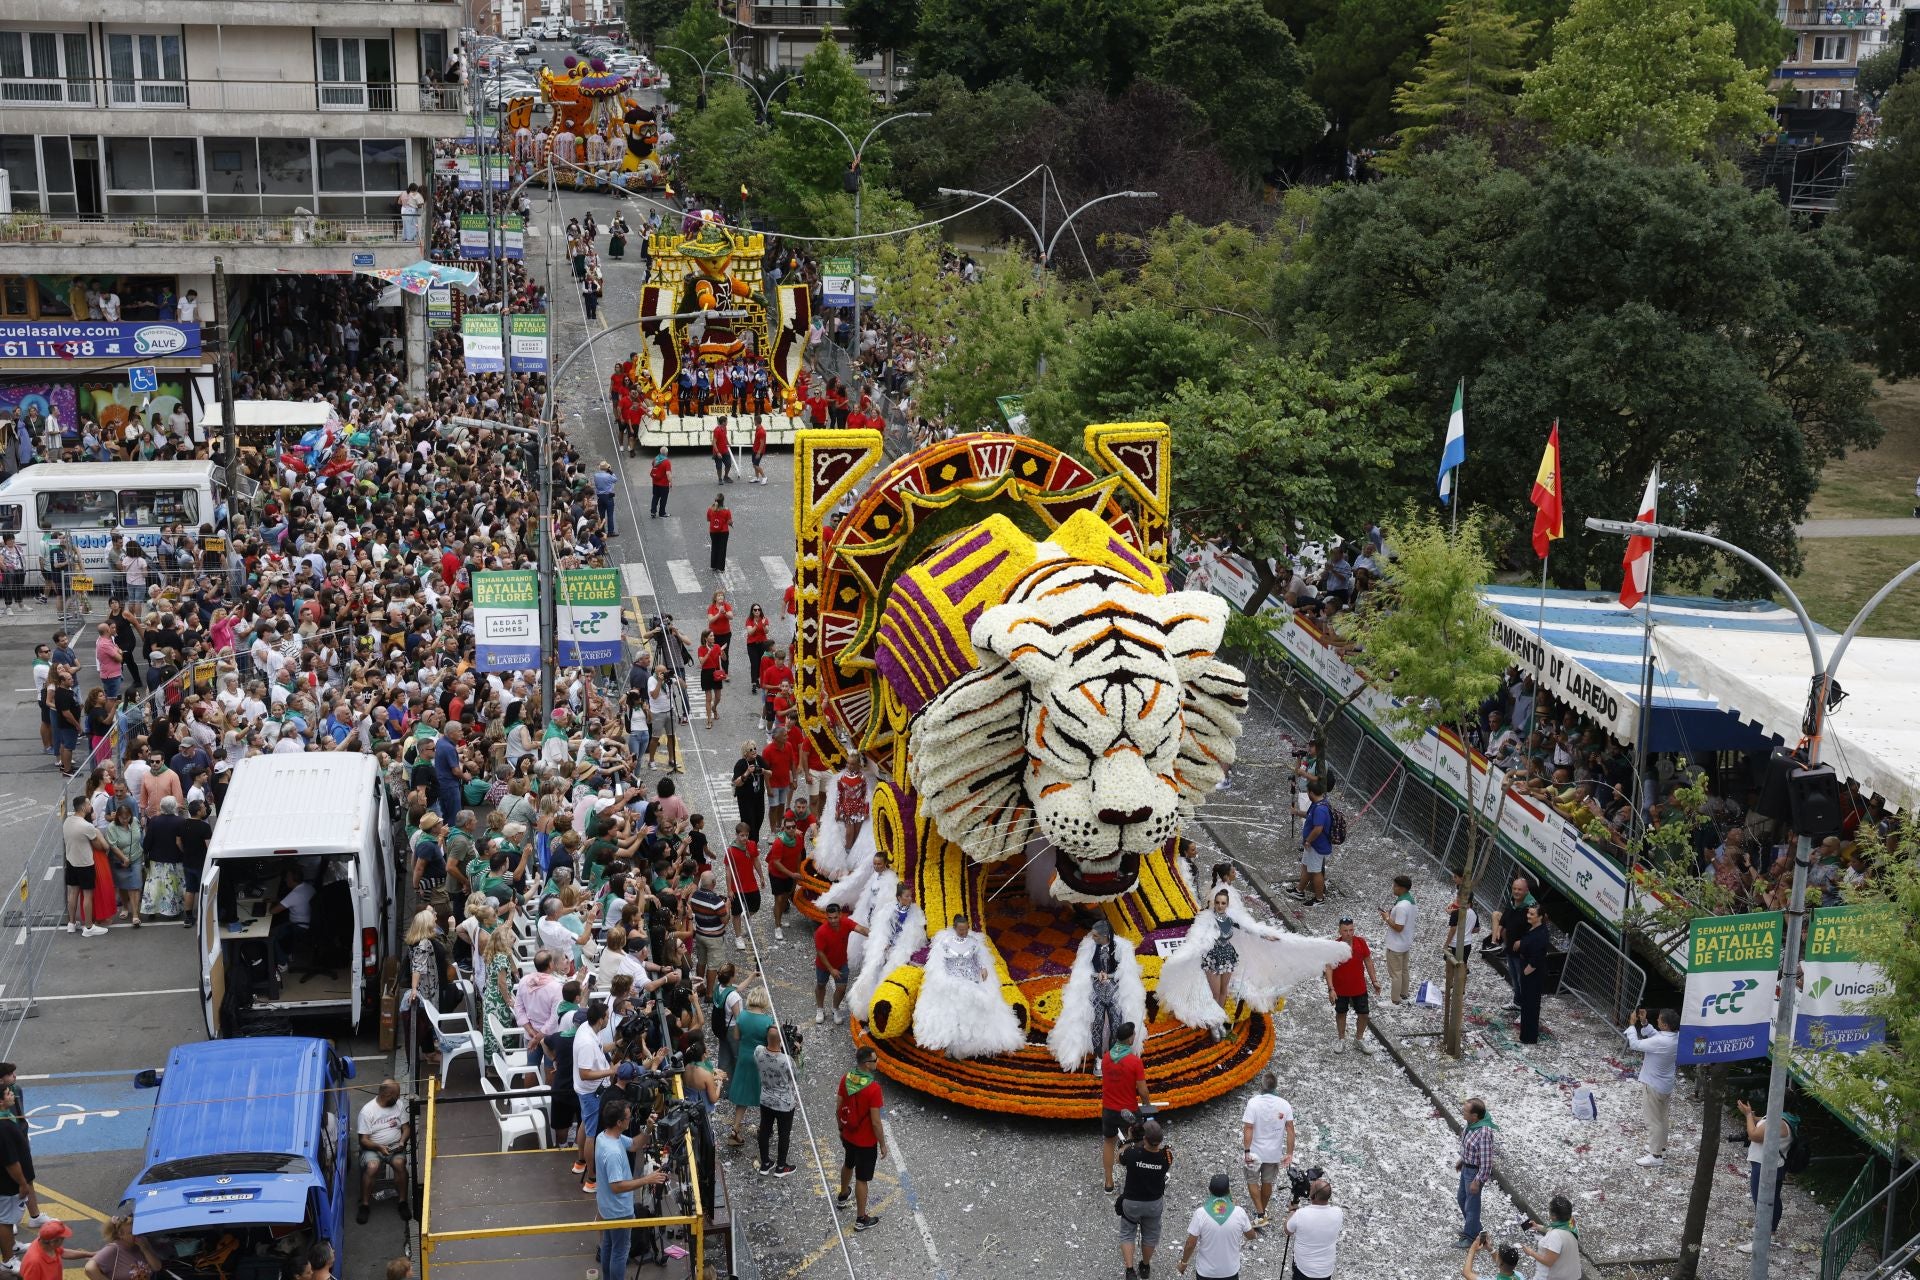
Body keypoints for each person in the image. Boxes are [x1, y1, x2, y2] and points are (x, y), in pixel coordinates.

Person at [594, 1095, 668, 1280]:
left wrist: (648, 1129)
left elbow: (635, 1145)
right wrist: (647, 1179)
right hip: (619, 1210)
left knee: (609, 1246)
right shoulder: (611, 1152)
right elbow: (617, 1186)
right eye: (628, 1118)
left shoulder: (606, 1137)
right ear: (619, 1122)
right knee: (620, 1252)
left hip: (607, 1206)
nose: (630, 1120)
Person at [835, 1044, 887, 1232]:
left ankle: (842, 1196)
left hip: (848, 1134)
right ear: (866, 1064)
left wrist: (841, 1129)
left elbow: (839, 1107)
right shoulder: (873, 1089)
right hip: (865, 1141)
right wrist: (882, 1144)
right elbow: (875, 1122)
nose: (877, 1062)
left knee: (848, 1163)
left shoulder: (846, 1079)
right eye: (874, 1060)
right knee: (862, 1179)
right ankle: (861, 1218)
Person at [1621, 1008, 1679, 1166]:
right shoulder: (1675, 1037)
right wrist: (1644, 1023)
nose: (1657, 1021)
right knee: (1662, 1118)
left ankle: (1655, 1155)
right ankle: (1661, 1148)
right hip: (1665, 1084)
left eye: (1659, 1020)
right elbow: (1655, 1035)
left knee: (1653, 1120)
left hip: (1653, 1085)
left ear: (1665, 1025)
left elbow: (1635, 1044)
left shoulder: (1662, 1041)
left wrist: (1632, 1025)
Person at [1117, 1117, 1172, 1280]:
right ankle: (1145, 1266)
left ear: (1144, 1138)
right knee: (1150, 1236)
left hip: (1131, 1202)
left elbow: (1120, 1158)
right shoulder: (1166, 1157)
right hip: (1154, 1203)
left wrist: (1129, 1140)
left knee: (1127, 1233)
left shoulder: (1133, 1154)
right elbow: (1158, 1155)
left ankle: (1129, 1271)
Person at [1736, 1098, 1793, 1253]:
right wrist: (1750, 1114)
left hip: (1765, 1166)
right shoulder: (1785, 1118)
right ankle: (1770, 1233)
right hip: (1775, 1165)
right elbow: (1761, 1120)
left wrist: (1748, 1117)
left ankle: (1760, 1241)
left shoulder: (1778, 1123)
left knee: (1761, 1202)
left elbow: (1754, 1135)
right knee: (1773, 1199)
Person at [1100, 1021, 1151, 1194]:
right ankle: (1139, 1178)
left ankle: (1108, 1182)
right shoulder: (1134, 1061)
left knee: (1108, 1142)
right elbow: (1143, 1090)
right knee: (1138, 1143)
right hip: (1128, 1110)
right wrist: (1147, 1106)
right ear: (1130, 1039)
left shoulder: (1106, 1057)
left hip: (1108, 1108)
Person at [1175, 1173, 1255, 1280]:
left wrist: (1183, 1262)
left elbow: (1190, 1244)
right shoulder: (1239, 1212)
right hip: (1230, 1271)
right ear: (1228, 1190)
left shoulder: (1201, 1213)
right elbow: (1251, 1235)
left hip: (1205, 1272)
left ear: (1210, 1191)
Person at [1240, 1073, 1295, 1228]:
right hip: (1273, 1152)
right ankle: (1262, 1212)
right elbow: (1290, 1130)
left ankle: (1260, 1214)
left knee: (1252, 1180)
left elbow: (1248, 1128)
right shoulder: (1284, 1104)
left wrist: (1246, 1151)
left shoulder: (1253, 1103)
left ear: (1261, 1086)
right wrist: (1289, 1153)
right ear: (1275, 1086)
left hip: (1255, 1151)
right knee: (1267, 1182)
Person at [355, 1079, 411, 1223]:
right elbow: (363, 1140)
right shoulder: (367, 1111)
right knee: (372, 1166)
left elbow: (406, 1128)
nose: (399, 1098)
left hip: (395, 1146)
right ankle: (365, 1205)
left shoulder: (398, 1105)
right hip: (373, 1148)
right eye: (396, 1095)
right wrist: (379, 1147)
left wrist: (402, 1141)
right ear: (387, 1095)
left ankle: (402, 1202)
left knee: (399, 1164)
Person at [1322, 917, 1379, 1054]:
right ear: (1340, 931)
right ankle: (1341, 1039)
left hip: (1359, 987)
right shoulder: (1335, 946)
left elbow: (1368, 961)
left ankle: (1359, 1039)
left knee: (1364, 1014)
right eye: (1345, 930)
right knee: (1341, 1013)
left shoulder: (1361, 942)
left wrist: (1374, 981)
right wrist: (1331, 988)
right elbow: (1328, 968)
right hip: (1340, 988)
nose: (1349, 933)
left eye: (1351, 930)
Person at [0, 1084, 41, 1263]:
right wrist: (23, 1183)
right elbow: (10, 1161)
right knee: (5, 1221)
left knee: (8, 1219)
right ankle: (9, 1260)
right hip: (8, 1184)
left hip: (10, 1182)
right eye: (8, 1094)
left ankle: (12, 1245)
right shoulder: (3, 1127)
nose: (12, 1096)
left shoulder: (7, 1119)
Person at [753, 1024, 799, 1177]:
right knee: (784, 1134)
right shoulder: (787, 1060)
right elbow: (797, 1076)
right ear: (782, 1040)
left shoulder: (758, 1052)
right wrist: (796, 1055)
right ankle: (781, 1166)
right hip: (785, 1103)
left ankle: (765, 1163)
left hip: (766, 1099)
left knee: (764, 1131)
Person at [62, 797, 110, 938]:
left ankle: (71, 923)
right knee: (88, 895)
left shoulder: (67, 821)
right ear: (83, 807)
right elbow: (99, 846)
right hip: (85, 863)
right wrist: (105, 845)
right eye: (89, 803)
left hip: (71, 861)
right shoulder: (86, 826)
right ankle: (88, 926)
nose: (90, 806)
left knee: (73, 893)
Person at [812, 901, 866, 1025]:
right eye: (830, 918)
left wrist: (877, 936)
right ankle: (820, 1009)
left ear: (840, 915)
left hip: (841, 963)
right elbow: (820, 953)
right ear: (827, 917)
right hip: (824, 965)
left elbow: (861, 929)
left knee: (841, 989)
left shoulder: (846, 923)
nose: (833, 921)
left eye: (835, 917)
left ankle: (835, 1009)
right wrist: (831, 969)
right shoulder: (821, 932)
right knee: (821, 985)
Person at [1453, 1098, 1497, 1249]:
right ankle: (1476, 1230)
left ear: (1475, 1115)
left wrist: (1478, 1180)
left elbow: (1487, 1162)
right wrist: (1462, 1160)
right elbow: (1469, 1147)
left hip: (1474, 1173)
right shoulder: (1471, 1125)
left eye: (1465, 1111)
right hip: (1467, 1167)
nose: (1462, 1112)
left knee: (1472, 1206)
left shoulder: (1484, 1132)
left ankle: (1471, 1237)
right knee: (1462, 1198)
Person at [1284, 1179, 1344, 1280]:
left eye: (1311, 1188)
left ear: (1314, 1196)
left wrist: (1292, 1210)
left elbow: (1288, 1230)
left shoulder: (1301, 1214)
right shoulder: (1338, 1213)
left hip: (1304, 1269)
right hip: (1326, 1269)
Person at [1519, 1195, 1581, 1279]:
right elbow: (1560, 1229)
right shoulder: (1571, 1222)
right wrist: (1539, 1227)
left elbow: (1548, 1262)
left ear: (1554, 1216)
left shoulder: (1555, 1236)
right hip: (1571, 1274)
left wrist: (1531, 1252)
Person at [82, 1214, 161, 1280]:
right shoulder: (113, 1249)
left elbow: (157, 1267)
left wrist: (145, 1249)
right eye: (132, 1232)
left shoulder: (142, 1243)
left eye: (137, 1230)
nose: (136, 1234)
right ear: (121, 1235)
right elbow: (89, 1268)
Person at [1514, 903, 1550, 1045]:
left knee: (1531, 1005)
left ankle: (1529, 1036)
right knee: (1527, 1003)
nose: (1529, 916)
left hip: (1532, 973)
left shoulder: (1541, 933)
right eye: (1529, 913)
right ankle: (1526, 1034)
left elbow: (1538, 956)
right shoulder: (1535, 929)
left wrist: (1526, 971)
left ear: (1540, 917)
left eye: (1532, 914)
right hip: (1528, 968)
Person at [1294, 781, 1333, 904]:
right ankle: (1299, 890)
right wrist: (1297, 812)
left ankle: (1319, 898)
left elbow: (1318, 829)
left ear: (1311, 792)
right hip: (1312, 845)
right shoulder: (1318, 804)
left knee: (1316, 871)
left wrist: (1308, 841)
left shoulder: (1320, 809)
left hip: (1317, 846)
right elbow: (1310, 816)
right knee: (1306, 866)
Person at [1380, 874, 1415, 1004]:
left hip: (1396, 945)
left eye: (1395, 886)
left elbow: (1399, 927)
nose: (1393, 888)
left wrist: (1387, 918)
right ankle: (1403, 993)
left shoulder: (1401, 906)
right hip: (1405, 943)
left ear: (1401, 888)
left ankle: (1395, 1000)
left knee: (1396, 973)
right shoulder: (1411, 901)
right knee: (1404, 971)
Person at [19, 1220, 90, 1280]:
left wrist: (90, 1254)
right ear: (53, 1242)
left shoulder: (46, 1244)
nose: (64, 1240)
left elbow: (63, 1252)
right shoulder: (34, 1263)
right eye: (62, 1238)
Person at [708, 493, 733, 572]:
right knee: (722, 549)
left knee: (714, 547)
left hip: (713, 531)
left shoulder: (710, 509)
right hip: (723, 532)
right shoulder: (726, 510)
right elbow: (729, 522)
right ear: (723, 501)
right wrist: (731, 523)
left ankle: (713, 566)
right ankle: (720, 567)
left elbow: (708, 519)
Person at [592, 460, 617, 536]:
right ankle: (610, 531)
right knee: (610, 515)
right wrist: (611, 471)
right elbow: (615, 479)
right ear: (607, 468)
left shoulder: (596, 475)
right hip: (608, 496)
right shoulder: (609, 476)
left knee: (601, 515)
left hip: (600, 496)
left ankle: (602, 530)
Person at [648, 450, 671, 518]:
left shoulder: (656, 458)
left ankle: (653, 511)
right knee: (663, 499)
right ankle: (662, 513)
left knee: (655, 497)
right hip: (664, 484)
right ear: (666, 453)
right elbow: (668, 473)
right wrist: (670, 482)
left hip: (655, 482)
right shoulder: (667, 462)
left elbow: (653, 464)